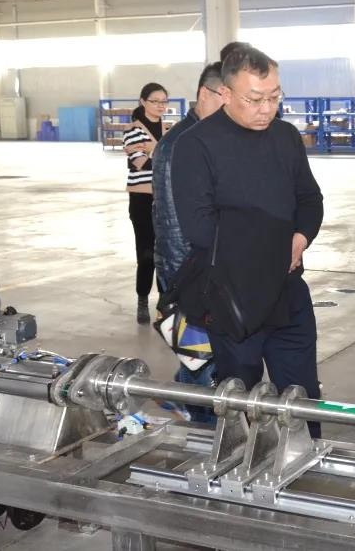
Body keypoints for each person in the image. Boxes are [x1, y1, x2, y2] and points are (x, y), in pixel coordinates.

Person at [171, 45, 324, 436]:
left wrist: (301, 236)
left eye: (274, 97)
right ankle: (245, 467)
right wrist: (274, 246)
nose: (266, 109)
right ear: (225, 94)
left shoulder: (286, 137)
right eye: (254, 99)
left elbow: (310, 199)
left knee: (302, 398)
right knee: (241, 406)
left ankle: (306, 463)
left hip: (288, 292)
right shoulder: (196, 145)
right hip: (234, 301)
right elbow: (201, 229)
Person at [152, 49, 239, 424]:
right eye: (227, 100)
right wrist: (183, 286)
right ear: (207, 93)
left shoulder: (210, 137)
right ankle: (205, 430)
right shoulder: (180, 145)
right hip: (189, 272)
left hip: (206, 266)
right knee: (204, 358)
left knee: (198, 353)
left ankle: (180, 394)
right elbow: (173, 224)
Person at [123, 82, 168, 324]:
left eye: (164, 102)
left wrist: (153, 150)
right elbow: (141, 163)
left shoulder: (169, 129)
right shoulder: (133, 130)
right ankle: (142, 299)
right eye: (155, 101)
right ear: (143, 102)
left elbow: (172, 161)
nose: (160, 106)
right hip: (142, 199)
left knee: (166, 254)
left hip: (165, 198)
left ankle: (164, 302)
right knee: (147, 253)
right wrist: (162, 151)